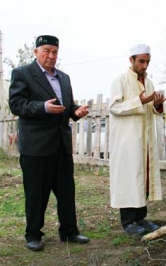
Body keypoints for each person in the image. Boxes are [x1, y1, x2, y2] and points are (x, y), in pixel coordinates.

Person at [8, 35, 90, 251]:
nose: (51, 56)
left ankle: (69, 232)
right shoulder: (22, 74)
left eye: (54, 51)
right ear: (36, 52)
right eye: (46, 51)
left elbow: (67, 105)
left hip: (61, 145)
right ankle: (33, 234)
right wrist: (42, 107)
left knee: (66, 191)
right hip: (36, 147)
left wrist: (76, 110)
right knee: (36, 193)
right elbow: (16, 105)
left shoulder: (64, 78)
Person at [109, 44, 166, 235]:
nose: (144, 65)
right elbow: (115, 107)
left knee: (143, 177)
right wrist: (140, 101)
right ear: (131, 60)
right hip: (127, 141)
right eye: (141, 61)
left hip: (145, 140)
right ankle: (128, 222)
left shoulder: (148, 83)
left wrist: (157, 105)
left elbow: (151, 110)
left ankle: (141, 218)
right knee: (128, 178)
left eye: (147, 62)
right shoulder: (120, 80)